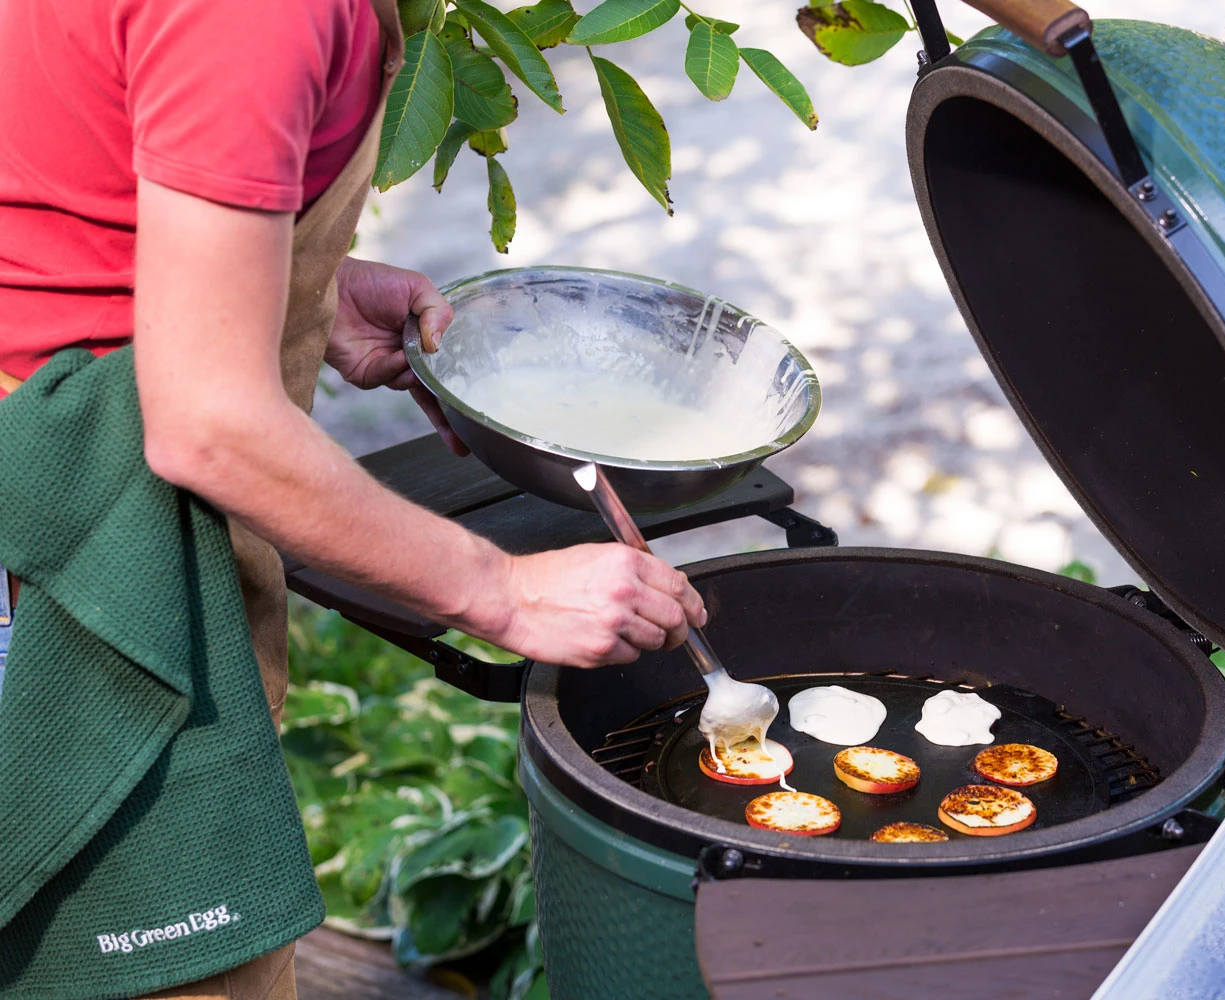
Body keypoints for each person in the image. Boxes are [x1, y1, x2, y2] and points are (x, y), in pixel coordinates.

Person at [0, 0, 706, 997]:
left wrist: (293, 282)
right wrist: (505, 591)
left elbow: (67, 146)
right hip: (78, 558)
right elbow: (209, 424)